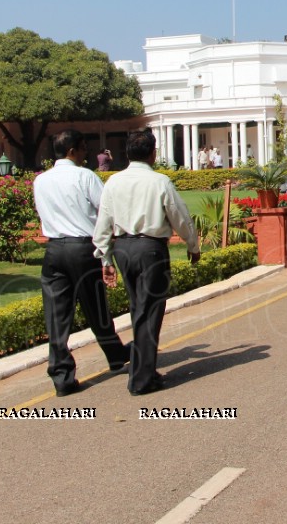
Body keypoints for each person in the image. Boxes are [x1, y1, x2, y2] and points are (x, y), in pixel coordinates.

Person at [93, 129, 200, 396]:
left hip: (123, 249)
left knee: (138, 309)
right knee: (149, 312)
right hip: (150, 249)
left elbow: (103, 222)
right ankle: (141, 379)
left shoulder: (113, 182)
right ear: (153, 153)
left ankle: (144, 371)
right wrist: (192, 245)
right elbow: (179, 216)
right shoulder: (159, 182)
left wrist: (105, 257)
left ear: (127, 153)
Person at [33, 130, 129, 397]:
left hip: (54, 249)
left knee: (56, 315)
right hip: (81, 247)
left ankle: (62, 376)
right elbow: (107, 210)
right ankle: (115, 353)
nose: (87, 153)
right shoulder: (85, 176)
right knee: (95, 306)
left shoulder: (40, 181)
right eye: (84, 148)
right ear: (72, 150)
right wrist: (109, 251)